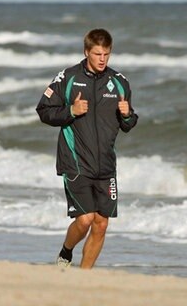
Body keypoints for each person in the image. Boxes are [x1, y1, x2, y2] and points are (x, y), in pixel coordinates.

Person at [36, 28, 138, 269]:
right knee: (85, 219)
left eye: (107, 54)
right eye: (97, 54)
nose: (102, 59)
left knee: (101, 224)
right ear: (86, 52)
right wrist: (71, 111)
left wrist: (127, 115)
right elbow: (44, 111)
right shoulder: (68, 77)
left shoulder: (120, 82)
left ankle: (84, 275)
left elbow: (128, 124)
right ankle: (66, 251)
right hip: (75, 161)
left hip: (106, 164)